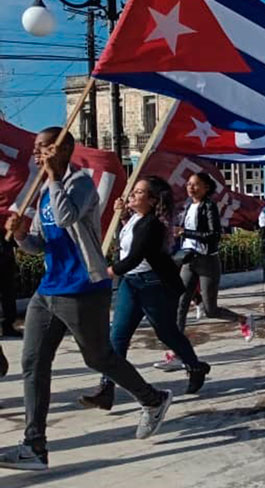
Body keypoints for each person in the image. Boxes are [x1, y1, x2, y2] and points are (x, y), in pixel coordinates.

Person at [1, 127, 172, 471]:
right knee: (33, 363)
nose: (37, 155)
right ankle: (34, 446)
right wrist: (21, 235)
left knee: (99, 358)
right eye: (35, 149)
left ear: (62, 150)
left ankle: (152, 400)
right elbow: (40, 243)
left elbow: (66, 217)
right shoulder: (43, 191)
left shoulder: (79, 184)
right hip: (49, 289)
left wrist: (51, 177)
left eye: (43, 149)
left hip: (82, 287)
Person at [78, 177, 211, 411]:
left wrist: (109, 271)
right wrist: (121, 217)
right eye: (134, 191)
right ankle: (106, 387)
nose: (132, 195)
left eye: (139, 192)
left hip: (153, 285)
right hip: (130, 284)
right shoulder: (134, 220)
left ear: (151, 200)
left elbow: (136, 256)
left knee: (167, 333)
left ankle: (195, 366)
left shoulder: (153, 225)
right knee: (117, 336)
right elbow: (126, 245)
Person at [155, 172, 255, 372]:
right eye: (189, 184)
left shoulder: (208, 207)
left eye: (196, 185)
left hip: (207, 261)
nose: (191, 188)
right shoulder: (187, 206)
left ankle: (243, 320)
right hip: (188, 260)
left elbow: (213, 236)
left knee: (210, 310)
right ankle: (176, 354)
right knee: (180, 305)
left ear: (206, 188)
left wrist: (185, 232)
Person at [0, 234, 22, 337]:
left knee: (8, 292)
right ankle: (8, 325)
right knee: (8, 292)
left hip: (5, 252)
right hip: (5, 252)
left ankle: (8, 325)